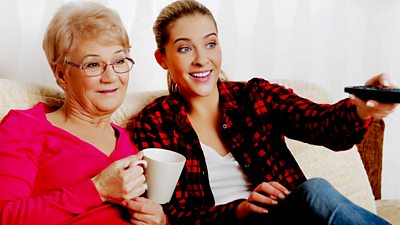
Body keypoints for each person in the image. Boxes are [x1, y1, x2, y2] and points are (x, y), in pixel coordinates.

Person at [129, 0, 398, 224]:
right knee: (315, 191)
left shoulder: (254, 96)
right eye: (185, 48)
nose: (202, 59)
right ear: (162, 58)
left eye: (210, 44)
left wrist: (361, 108)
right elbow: (171, 214)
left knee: (315, 192)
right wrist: (238, 210)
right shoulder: (155, 123)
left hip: (288, 218)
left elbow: (322, 124)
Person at [0, 2, 167, 225]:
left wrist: (160, 221)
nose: (111, 77)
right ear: (61, 75)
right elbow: (5, 216)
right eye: (93, 65)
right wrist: (97, 190)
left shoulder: (131, 143)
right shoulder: (24, 127)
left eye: (119, 61)